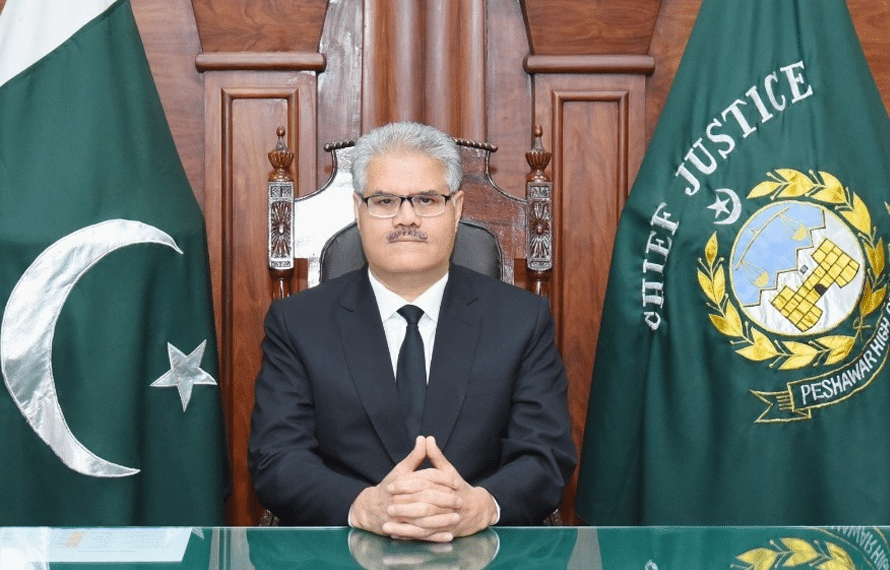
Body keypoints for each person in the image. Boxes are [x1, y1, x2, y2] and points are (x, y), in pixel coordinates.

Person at [248, 122, 576, 542]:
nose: (406, 217)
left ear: (457, 209)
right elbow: (276, 458)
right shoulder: (297, 323)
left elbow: (546, 454)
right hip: (344, 549)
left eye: (426, 199)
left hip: (480, 548)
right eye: (385, 200)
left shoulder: (521, 320)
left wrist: (480, 505)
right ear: (358, 209)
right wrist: (362, 506)